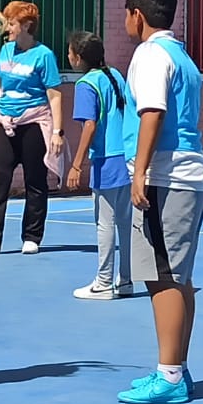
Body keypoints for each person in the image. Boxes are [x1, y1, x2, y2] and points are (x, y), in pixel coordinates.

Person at [117, 0, 203, 404]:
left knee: (163, 277)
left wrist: (140, 173)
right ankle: (177, 368)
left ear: (137, 15)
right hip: (184, 174)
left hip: (166, 176)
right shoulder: (181, 55)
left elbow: (152, 112)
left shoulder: (151, 54)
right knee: (177, 276)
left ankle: (169, 375)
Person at [0, 1, 64, 256]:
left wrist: (57, 132)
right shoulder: (5, 51)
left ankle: (32, 236)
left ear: (27, 26)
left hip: (34, 122)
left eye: (11, 23)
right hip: (4, 120)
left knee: (35, 180)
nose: (7, 28)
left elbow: (54, 95)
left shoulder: (44, 55)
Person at [64, 31, 133, 300]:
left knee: (105, 223)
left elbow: (90, 125)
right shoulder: (115, 75)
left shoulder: (86, 84)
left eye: (70, 52)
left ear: (78, 58)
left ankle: (104, 282)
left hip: (107, 159)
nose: (67, 55)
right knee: (125, 222)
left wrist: (76, 165)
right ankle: (126, 280)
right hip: (127, 155)